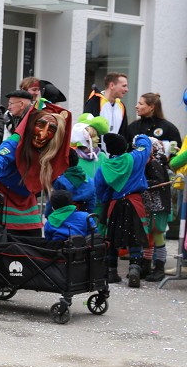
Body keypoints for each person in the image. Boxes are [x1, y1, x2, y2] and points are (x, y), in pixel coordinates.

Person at [0, 103, 71, 236]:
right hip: (5, 196)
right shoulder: (16, 141)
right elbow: (0, 157)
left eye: (51, 129)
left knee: (33, 239)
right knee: (3, 239)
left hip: (28, 199)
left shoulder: (49, 148)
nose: (43, 134)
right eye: (40, 125)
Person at [95, 133, 151, 287]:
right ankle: (134, 269)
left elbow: (100, 189)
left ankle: (112, 271)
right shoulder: (134, 158)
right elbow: (146, 146)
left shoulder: (104, 166)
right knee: (135, 236)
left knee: (112, 238)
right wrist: (139, 137)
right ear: (125, 146)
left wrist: (107, 198)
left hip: (114, 204)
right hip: (134, 202)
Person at [140, 141, 172, 282]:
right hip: (149, 204)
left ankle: (159, 268)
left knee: (157, 233)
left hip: (158, 205)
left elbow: (159, 182)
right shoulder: (148, 162)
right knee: (148, 236)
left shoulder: (154, 164)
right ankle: (146, 266)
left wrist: (142, 184)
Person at [84, 72, 130, 137]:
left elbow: (123, 134)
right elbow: (86, 128)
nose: (126, 90)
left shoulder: (121, 106)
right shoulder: (95, 102)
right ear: (112, 85)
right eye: (124, 86)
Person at [71, 113, 110, 178]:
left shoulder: (102, 157)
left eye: (97, 135)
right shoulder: (73, 158)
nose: (98, 138)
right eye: (94, 136)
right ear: (84, 139)